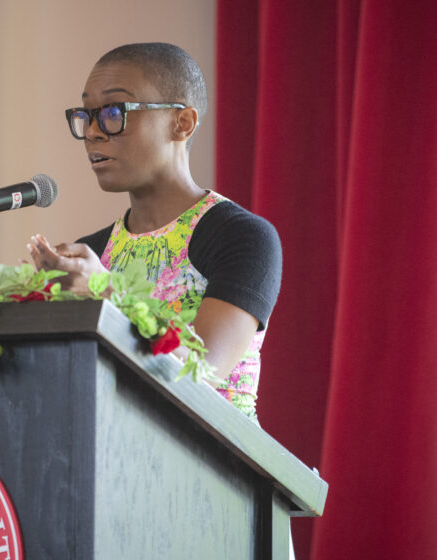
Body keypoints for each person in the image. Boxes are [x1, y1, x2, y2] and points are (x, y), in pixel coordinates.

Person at [27, 42, 282, 423]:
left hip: (214, 457)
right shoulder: (94, 251)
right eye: (87, 115)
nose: (93, 132)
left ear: (183, 123)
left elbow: (203, 373)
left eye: (114, 112)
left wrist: (105, 291)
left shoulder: (241, 236)